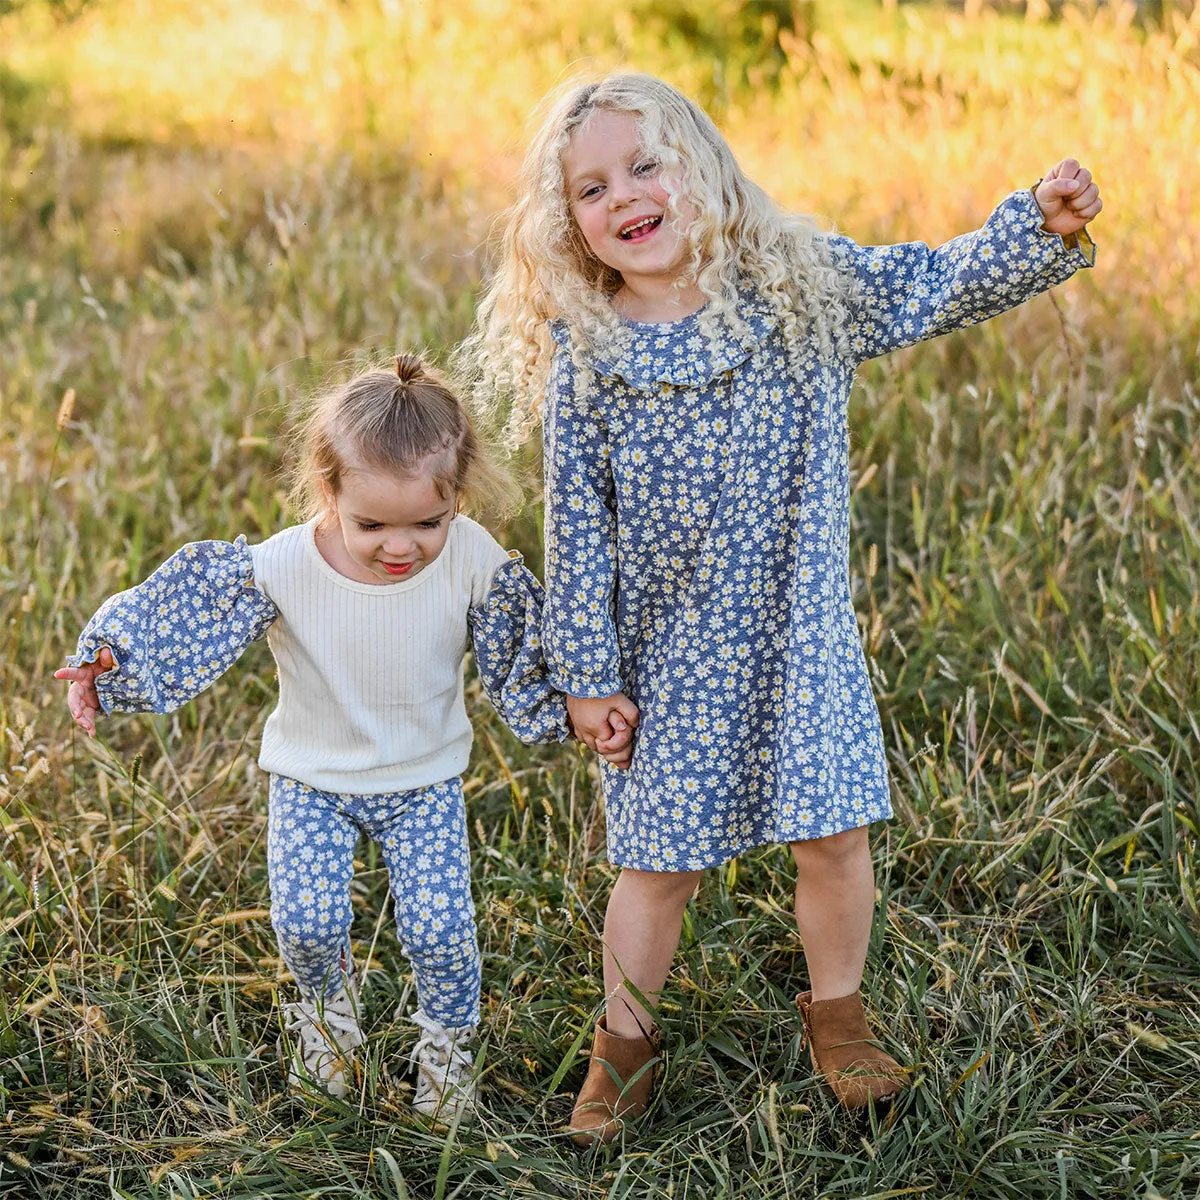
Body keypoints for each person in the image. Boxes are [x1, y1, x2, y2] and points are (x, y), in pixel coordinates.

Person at [470, 73, 1101, 1144]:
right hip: (667, 655)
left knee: (834, 840)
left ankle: (841, 1020)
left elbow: (928, 285)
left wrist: (1030, 227)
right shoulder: (589, 356)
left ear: (703, 167)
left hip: (798, 634)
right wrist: (587, 675)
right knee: (657, 864)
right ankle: (623, 1047)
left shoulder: (796, 291)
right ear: (567, 226)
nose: (625, 194)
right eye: (590, 187)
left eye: (645, 164)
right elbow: (573, 528)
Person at [54, 354, 576, 1123]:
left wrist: (580, 704)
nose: (401, 548)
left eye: (426, 523)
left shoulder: (471, 560)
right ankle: (328, 1019)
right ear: (329, 492)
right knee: (307, 921)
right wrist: (109, 663)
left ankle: (445, 1047)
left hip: (421, 780)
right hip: (311, 779)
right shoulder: (282, 566)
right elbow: (182, 614)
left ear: (457, 498)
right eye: (372, 525)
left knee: (438, 931)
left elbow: (528, 644)